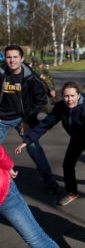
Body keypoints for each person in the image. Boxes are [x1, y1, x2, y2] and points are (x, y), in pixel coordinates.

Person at [0, 45, 59, 194]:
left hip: (22, 119)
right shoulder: (0, 73)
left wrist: (27, 120)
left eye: (15, 57)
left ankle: (50, 181)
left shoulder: (31, 78)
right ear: (5, 58)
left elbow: (40, 100)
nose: (12, 60)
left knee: (34, 149)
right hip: (1, 119)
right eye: (9, 57)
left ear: (22, 58)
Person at [0, 145, 59, 248]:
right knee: (37, 240)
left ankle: (51, 182)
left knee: (37, 240)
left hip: (4, 192)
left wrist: (8, 167)